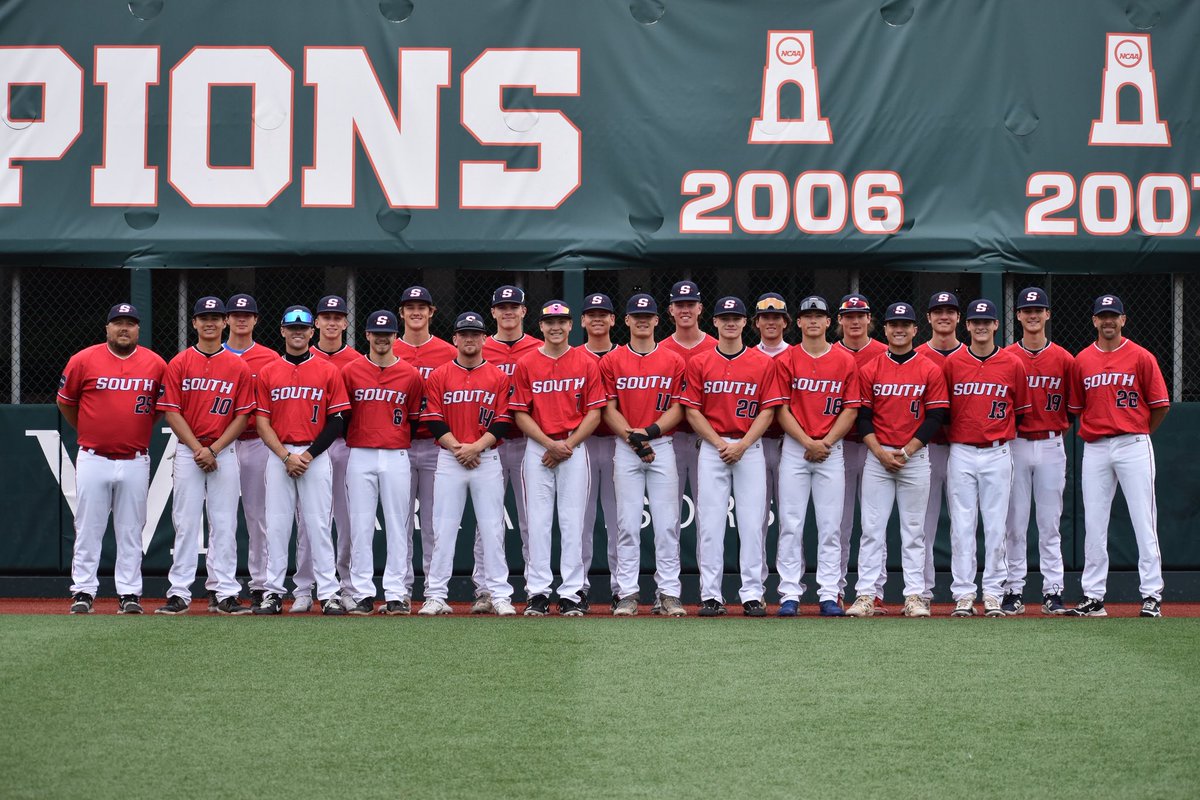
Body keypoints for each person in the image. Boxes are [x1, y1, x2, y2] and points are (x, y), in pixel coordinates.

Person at [59, 304, 166, 615]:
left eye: (130, 324)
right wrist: (89, 428)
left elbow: (160, 409)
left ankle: (129, 593)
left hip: (135, 458)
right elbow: (65, 402)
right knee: (88, 526)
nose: (124, 328)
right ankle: (83, 591)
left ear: (138, 330)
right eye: (118, 323)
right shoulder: (83, 360)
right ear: (106, 328)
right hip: (94, 456)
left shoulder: (155, 364)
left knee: (132, 528)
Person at [681, 296, 784, 617]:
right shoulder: (700, 362)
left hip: (749, 447)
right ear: (714, 322)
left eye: (736, 317)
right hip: (712, 448)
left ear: (744, 323)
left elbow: (769, 411)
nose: (730, 322)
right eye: (724, 317)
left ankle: (753, 593)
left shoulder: (763, 363)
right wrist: (717, 443)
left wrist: (742, 444)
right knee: (710, 524)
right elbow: (692, 411)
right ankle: (711, 594)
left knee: (753, 524)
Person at [1067, 295, 1169, 618]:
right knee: (1094, 524)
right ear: (1094, 320)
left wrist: (1139, 431)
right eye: (1102, 316)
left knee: (1143, 519)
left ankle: (1152, 594)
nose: (1108, 321)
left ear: (1123, 320)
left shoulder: (1141, 356)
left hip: (1132, 443)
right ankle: (1093, 597)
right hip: (1096, 446)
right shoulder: (1082, 360)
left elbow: (1161, 406)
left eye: (1113, 316)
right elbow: (1077, 406)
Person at [846, 302, 948, 619]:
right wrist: (879, 452)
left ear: (916, 329)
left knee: (914, 530)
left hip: (914, 458)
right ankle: (866, 594)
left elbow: (936, 416)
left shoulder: (930, 368)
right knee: (872, 529)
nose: (899, 329)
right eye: (894, 324)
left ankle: (915, 595)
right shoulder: (871, 368)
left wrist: (906, 451)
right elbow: (862, 418)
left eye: (905, 324)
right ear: (885, 329)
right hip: (878, 457)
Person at [155, 297, 255, 616]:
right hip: (188, 452)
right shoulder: (180, 362)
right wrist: (199, 448)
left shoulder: (238, 366)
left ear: (224, 322)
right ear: (194, 323)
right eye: (203, 317)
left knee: (224, 523)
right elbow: (171, 411)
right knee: (185, 522)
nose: (209, 322)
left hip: (223, 452)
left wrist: (213, 449)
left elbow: (242, 416)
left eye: (215, 317)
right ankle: (180, 592)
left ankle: (224, 591)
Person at [253, 305, 351, 616]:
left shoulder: (328, 370)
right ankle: (272, 593)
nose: (297, 333)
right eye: (291, 328)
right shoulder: (269, 371)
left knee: (319, 525)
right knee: (278, 526)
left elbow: (337, 420)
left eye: (303, 328)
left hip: (315, 455)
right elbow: (262, 421)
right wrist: (284, 455)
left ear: (312, 332)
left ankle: (330, 594)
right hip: (279, 455)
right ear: (282, 331)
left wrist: (307, 455)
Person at [510, 300, 605, 616]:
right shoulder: (526, 363)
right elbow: (520, 413)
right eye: (550, 322)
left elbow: (594, 413)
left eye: (562, 322)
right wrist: (549, 444)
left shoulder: (586, 362)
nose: (556, 327)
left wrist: (567, 445)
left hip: (574, 448)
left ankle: (571, 593)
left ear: (570, 326)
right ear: (541, 326)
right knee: (536, 523)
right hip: (539, 449)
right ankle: (537, 592)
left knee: (572, 522)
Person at [420, 312, 517, 617]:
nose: (470, 339)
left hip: (486, 457)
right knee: (443, 529)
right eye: (464, 334)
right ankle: (435, 595)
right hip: (450, 458)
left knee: (492, 528)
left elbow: (504, 419)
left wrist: (475, 446)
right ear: (455, 339)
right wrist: (459, 447)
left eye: (475, 334)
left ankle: (500, 594)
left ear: (485, 339)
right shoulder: (439, 375)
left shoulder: (499, 377)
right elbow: (432, 418)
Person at [600, 293, 687, 616]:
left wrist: (648, 435)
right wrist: (635, 440)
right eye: (636, 316)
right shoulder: (612, 360)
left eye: (647, 316)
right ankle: (627, 592)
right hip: (626, 447)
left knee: (666, 524)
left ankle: (668, 592)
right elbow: (607, 408)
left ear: (656, 320)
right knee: (626, 523)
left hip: (661, 445)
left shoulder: (673, 360)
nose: (641, 320)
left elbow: (680, 407)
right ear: (626, 321)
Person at [774, 296, 861, 617]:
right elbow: (780, 409)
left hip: (830, 448)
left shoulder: (843, 360)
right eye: (807, 315)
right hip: (797, 448)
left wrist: (824, 441)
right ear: (797, 322)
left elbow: (851, 409)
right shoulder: (786, 359)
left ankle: (829, 592)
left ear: (829, 322)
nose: (813, 320)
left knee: (830, 526)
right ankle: (789, 594)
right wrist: (807, 441)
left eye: (819, 315)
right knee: (791, 525)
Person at [943, 299, 1029, 618]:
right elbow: (943, 411)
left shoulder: (1012, 364)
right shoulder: (952, 363)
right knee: (962, 526)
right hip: (961, 451)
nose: (981, 326)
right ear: (966, 326)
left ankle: (993, 592)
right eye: (975, 321)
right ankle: (964, 594)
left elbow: (1019, 412)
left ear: (996, 325)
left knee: (996, 526)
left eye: (986, 321)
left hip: (997, 450)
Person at [341, 310, 424, 616]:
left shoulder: (410, 374)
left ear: (394, 335)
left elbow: (413, 419)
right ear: (367, 336)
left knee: (397, 524)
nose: (382, 338)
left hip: (397, 453)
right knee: (360, 525)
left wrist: (396, 438)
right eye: (377, 334)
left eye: (387, 333)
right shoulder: (351, 371)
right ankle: (363, 592)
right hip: (360, 452)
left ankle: (396, 592)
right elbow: (344, 415)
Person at [1003, 287, 1073, 615]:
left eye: (1038, 310)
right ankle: (1013, 588)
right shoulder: (1006, 357)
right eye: (1026, 310)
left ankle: (1053, 590)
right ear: (1017, 315)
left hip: (1050, 442)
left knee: (1049, 522)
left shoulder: (1064, 359)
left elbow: (1073, 408)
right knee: (1014, 522)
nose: (1032, 315)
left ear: (1047, 314)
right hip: (1014, 443)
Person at [292, 294, 359, 612]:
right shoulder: (302, 355)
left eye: (338, 316)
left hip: (344, 446)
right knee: (308, 520)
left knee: (345, 521)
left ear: (345, 322)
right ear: (315, 323)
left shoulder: (357, 360)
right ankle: (304, 587)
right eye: (326, 316)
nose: (332, 322)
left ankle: (346, 586)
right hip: (308, 449)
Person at [392, 286, 457, 604]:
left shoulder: (448, 351)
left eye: (422, 306)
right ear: (401, 312)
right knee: (400, 522)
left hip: (435, 446)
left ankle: (435, 592)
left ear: (432, 312)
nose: (416, 311)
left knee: (435, 522)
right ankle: (400, 591)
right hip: (399, 445)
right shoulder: (387, 349)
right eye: (410, 307)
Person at [479, 285, 542, 611]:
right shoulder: (479, 345)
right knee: (485, 520)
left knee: (531, 519)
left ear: (523, 311)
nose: (507, 311)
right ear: (493, 312)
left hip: (525, 442)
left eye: (513, 306)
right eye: (501, 306)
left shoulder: (538, 347)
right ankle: (485, 590)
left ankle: (535, 589)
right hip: (487, 444)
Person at [658, 280, 716, 609]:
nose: (685, 309)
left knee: (709, 518)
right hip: (670, 440)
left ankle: (710, 593)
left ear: (700, 309)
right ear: (669, 311)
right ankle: (667, 592)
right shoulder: (662, 349)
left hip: (707, 441)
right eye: (679, 304)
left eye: (690, 304)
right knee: (667, 520)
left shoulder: (714, 346)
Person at [223, 293, 281, 611]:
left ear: (256, 320)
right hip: (223, 443)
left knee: (259, 517)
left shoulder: (270, 358)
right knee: (222, 517)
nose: (241, 318)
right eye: (235, 314)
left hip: (258, 442)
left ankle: (260, 584)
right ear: (227, 319)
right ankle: (223, 586)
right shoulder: (215, 356)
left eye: (247, 314)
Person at [832, 293, 887, 612]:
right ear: (839, 320)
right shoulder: (828, 351)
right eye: (848, 315)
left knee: (873, 521)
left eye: (860, 315)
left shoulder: (883, 352)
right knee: (838, 523)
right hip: (837, 446)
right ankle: (835, 589)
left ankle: (873, 589)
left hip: (873, 446)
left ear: (869, 319)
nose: (855, 320)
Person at [914, 291, 963, 608]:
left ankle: (964, 592)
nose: (944, 316)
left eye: (950, 311)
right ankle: (923, 591)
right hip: (926, 448)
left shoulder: (972, 355)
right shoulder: (916, 355)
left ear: (958, 318)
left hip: (962, 447)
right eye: (937, 311)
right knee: (922, 524)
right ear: (929, 318)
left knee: (963, 524)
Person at [578, 292, 620, 611]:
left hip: (620, 442)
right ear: (582, 321)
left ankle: (622, 587)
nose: (597, 318)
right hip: (585, 443)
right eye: (591, 313)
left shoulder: (622, 356)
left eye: (602, 313)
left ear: (613, 320)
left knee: (620, 519)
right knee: (582, 519)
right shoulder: (575, 357)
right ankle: (578, 587)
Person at [752, 292, 790, 594]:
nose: (771, 322)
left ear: (786, 322)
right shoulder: (747, 354)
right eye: (766, 317)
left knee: (791, 520)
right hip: (754, 444)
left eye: (776, 317)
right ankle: (756, 588)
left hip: (790, 443)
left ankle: (792, 588)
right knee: (756, 520)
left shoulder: (796, 354)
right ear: (756, 322)